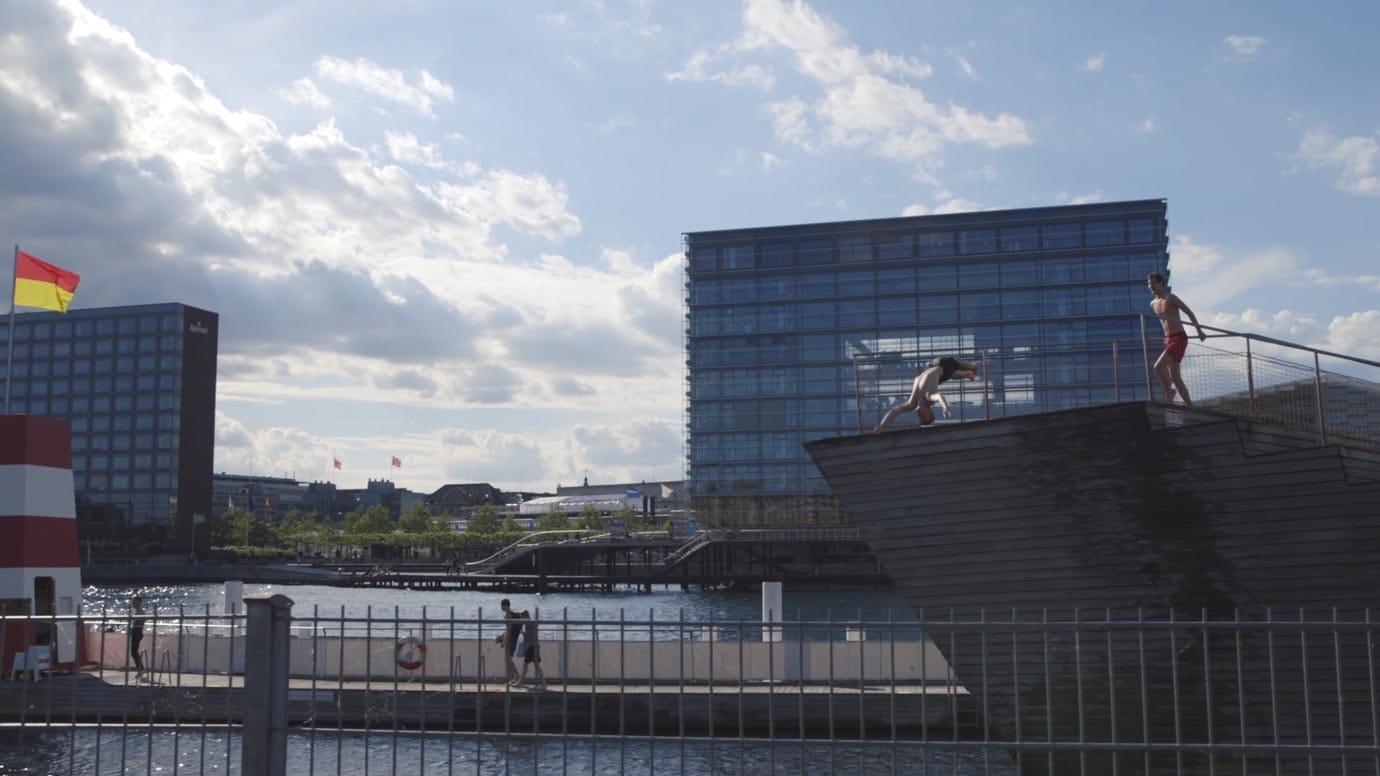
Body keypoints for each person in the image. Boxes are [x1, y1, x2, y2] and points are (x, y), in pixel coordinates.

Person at [872, 356, 981, 433]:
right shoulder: (928, 398)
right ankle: (972, 368)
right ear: (929, 411)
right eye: (924, 416)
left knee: (949, 374)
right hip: (942, 364)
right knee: (969, 367)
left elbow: (894, 411)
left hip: (930, 367)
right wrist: (945, 406)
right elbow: (939, 396)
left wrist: (882, 425)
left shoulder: (912, 403)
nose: (920, 415)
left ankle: (967, 374)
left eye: (920, 417)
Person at [1146, 272, 1206, 407]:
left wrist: (1199, 330)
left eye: (1153, 283)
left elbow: (1189, 312)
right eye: (1149, 284)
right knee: (1175, 377)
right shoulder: (1153, 303)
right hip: (1167, 339)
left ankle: (1169, 393)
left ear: (1161, 283)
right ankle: (1189, 405)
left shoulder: (1171, 298)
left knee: (1158, 366)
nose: (1151, 286)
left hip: (1178, 337)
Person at [512, 609, 546, 690]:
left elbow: (529, 636)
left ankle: (520, 683)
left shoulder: (529, 623)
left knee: (528, 666)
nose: (521, 620)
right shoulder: (530, 624)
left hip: (532, 647)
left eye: (522, 618)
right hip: (533, 646)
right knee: (534, 666)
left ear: (525, 616)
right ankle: (543, 683)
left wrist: (523, 633)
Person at [493, 598, 523, 685]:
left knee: (509, 659)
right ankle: (515, 677)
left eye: (501, 605)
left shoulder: (508, 616)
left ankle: (515, 678)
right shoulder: (512, 614)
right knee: (509, 659)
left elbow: (509, 629)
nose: (501, 607)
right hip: (514, 638)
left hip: (511, 639)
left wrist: (505, 641)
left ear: (505, 606)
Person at [128, 595, 147, 683]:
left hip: (137, 631)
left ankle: (141, 668)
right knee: (133, 651)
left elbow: (141, 621)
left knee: (134, 651)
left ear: (139, 602)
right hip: (136, 631)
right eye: (133, 602)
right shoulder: (137, 611)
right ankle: (140, 668)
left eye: (135, 602)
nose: (133, 604)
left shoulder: (141, 612)